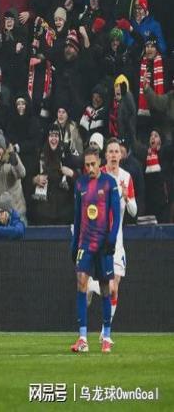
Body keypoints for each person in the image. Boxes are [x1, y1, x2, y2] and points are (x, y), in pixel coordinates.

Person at [71, 146, 120, 353]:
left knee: (105, 288)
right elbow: (77, 217)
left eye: (93, 164)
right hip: (85, 242)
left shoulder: (109, 183)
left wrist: (112, 240)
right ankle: (82, 338)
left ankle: (106, 336)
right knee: (81, 281)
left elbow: (116, 215)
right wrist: (74, 244)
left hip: (103, 244)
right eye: (87, 165)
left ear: (100, 162)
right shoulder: (80, 184)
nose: (90, 168)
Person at [87, 138, 137, 342]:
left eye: (117, 151)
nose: (114, 155)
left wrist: (126, 196)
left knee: (115, 289)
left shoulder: (126, 177)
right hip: (100, 236)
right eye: (111, 151)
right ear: (105, 155)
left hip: (117, 239)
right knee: (111, 286)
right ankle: (92, 286)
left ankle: (104, 332)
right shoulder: (98, 176)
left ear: (121, 155)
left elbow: (134, 211)